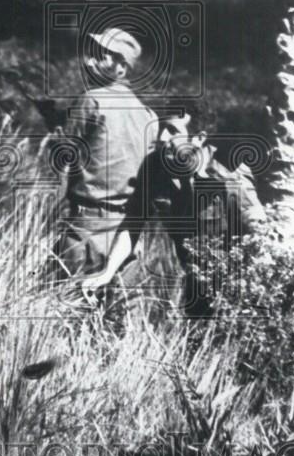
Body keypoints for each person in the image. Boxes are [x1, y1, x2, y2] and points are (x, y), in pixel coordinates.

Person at [82, 109, 267, 317]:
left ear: (199, 138)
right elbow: (133, 223)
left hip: (235, 282)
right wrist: (107, 271)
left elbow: (258, 231)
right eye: (161, 128)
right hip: (195, 279)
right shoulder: (155, 166)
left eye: (172, 130)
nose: (162, 138)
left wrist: (249, 291)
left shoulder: (228, 173)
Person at [43, 27, 158, 283]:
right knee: (115, 318)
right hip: (127, 235)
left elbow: (62, 160)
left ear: (121, 67)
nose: (89, 60)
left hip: (86, 228)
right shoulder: (148, 114)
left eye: (101, 56)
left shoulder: (91, 101)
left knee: (66, 309)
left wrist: (56, 132)